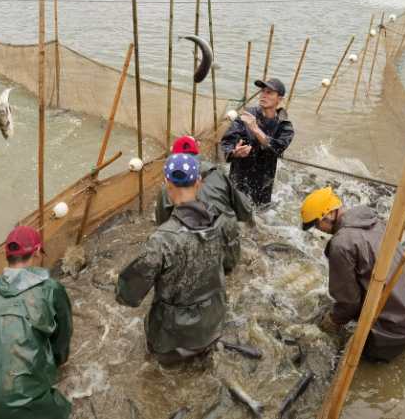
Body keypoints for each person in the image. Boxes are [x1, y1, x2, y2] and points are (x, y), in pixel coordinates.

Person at [116, 153, 240, 366]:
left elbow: (128, 294)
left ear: (167, 183)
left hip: (172, 335)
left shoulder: (162, 240)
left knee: (161, 374)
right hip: (212, 322)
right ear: (199, 182)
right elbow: (230, 265)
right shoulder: (225, 222)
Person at [300, 187, 405, 362]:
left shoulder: (341, 244)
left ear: (329, 215)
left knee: (350, 359)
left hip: (396, 328)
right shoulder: (374, 221)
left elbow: (349, 302)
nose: (318, 230)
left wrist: (330, 322)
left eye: (317, 224)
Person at [0, 226, 73, 419]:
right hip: (20, 407)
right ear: (37, 252)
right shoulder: (51, 289)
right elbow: (62, 339)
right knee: (61, 409)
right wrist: (55, 365)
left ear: (7, 256)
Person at [220, 78, 295, 206]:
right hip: (239, 179)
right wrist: (234, 152)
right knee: (234, 211)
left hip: (263, 185)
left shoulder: (285, 126)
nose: (264, 95)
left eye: (269, 92)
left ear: (280, 99)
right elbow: (226, 143)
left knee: (259, 216)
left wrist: (255, 129)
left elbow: (277, 149)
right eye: (263, 91)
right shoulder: (247, 115)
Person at [155, 135, 253, 225]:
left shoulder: (168, 187)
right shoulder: (218, 173)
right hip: (225, 230)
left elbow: (162, 224)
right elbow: (245, 211)